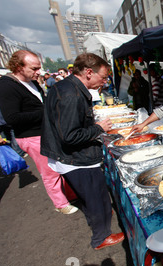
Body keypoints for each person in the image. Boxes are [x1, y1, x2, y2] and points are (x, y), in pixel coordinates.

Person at [40, 53, 124, 250]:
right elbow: (69, 136)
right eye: (103, 77)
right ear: (88, 72)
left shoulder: (67, 87)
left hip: (69, 156)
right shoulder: (71, 94)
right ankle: (101, 237)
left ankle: (98, 226)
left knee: (90, 197)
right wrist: (98, 128)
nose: (105, 82)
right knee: (96, 197)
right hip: (76, 159)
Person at [0, 50, 78, 214]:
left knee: (61, 165)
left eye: (38, 68)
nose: (38, 72)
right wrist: (46, 112)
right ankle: (61, 204)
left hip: (46, 132)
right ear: (19, 67)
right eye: (34, 68)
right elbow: (12, 118)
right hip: (31, 136)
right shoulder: (6, 86)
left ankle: (70, 194)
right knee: (49, 170)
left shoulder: (32, 82)